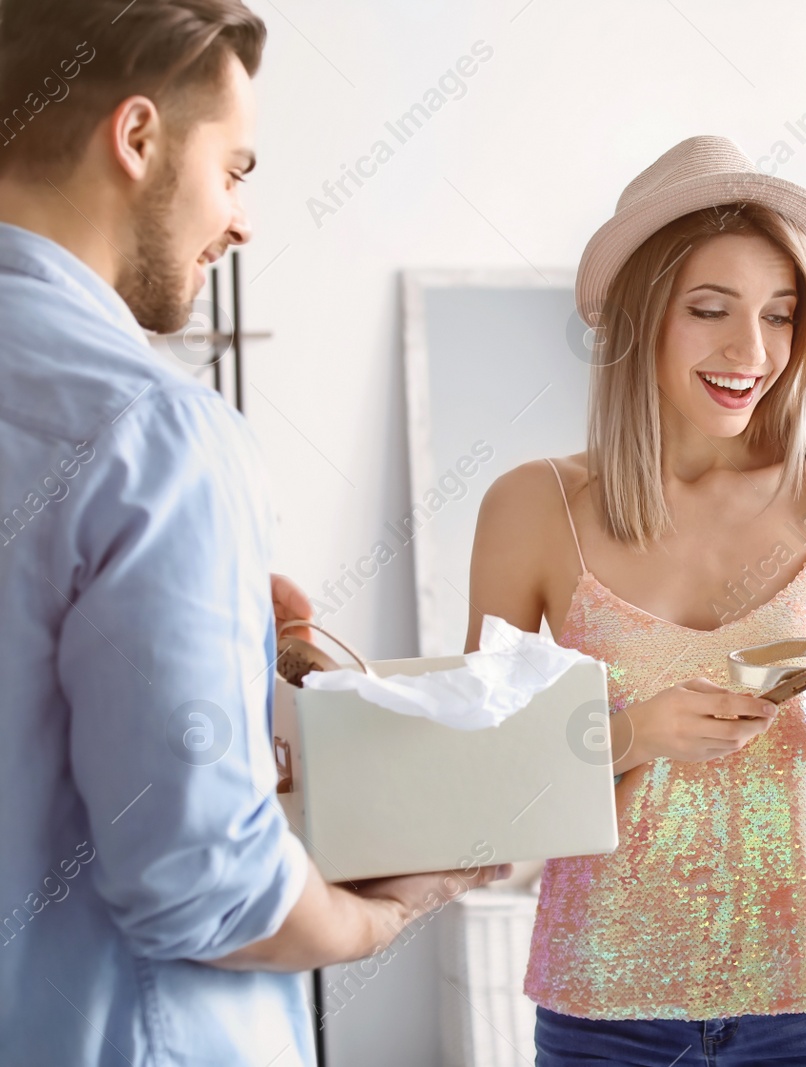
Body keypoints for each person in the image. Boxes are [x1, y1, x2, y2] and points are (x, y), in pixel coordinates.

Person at [0, 3, 504, 1064]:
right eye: (235, 170)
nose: (243, 222)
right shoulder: (156, 434)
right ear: (137, 140)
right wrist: (385, 910)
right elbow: (203, 889)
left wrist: (208, 642)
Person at [466, 136, 806, 1067]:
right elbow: (489, 796)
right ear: (639, 320)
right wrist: (634, 736)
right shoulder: (532, 508)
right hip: (605, 1005)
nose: (750, 352)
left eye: (781, 314)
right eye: (710, 309)